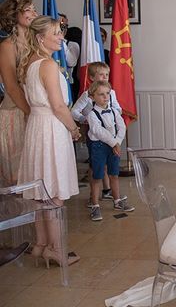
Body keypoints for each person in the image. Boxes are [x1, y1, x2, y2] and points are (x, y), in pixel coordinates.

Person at [17, 15, 82, 267]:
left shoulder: (28, 63)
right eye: (56, 33)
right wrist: (74, 129)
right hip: (50, 128)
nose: (61, 37)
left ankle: (41, 244)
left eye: (60, 32)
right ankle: (55, 248)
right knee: (53, 192)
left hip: (36, 127)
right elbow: (57, 105)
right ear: (40, 37)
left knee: (41, 192)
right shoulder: (48, 65)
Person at [0, 0, 37, 187]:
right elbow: (12, 87)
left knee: (35, 173)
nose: (34, 13)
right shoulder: (7, 46)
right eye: (29, 9)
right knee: (17, 177)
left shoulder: (35, 43)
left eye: (34, 9)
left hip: (35, 111)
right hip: (15, 113)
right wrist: (30, 113)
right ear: (16, 14)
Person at [72, 61, 121, 203]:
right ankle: (94, 197)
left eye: (107, 74)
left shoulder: (111, 93)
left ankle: (107, 191)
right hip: (94, 134)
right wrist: (84, 119)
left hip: (111, 132)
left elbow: (118, 107)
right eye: (101, 75)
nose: (105, 77)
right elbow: (74, 111)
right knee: (97, 164)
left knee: (110, 163)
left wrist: (114, 114)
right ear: (92, 77)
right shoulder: (87, 95)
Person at [86, 80, 134, 222]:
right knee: (97, 176)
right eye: (101, 94)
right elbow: (98, 131)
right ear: (92, 97)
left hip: (114, 146)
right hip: (99, 147)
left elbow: (122, 127)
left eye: (107, 93)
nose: (105, 97)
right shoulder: (92, 114)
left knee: (114, 174)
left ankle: (117, 200)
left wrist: (117, 142)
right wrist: (114, 143)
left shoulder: (113, 111)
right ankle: (95, 205)